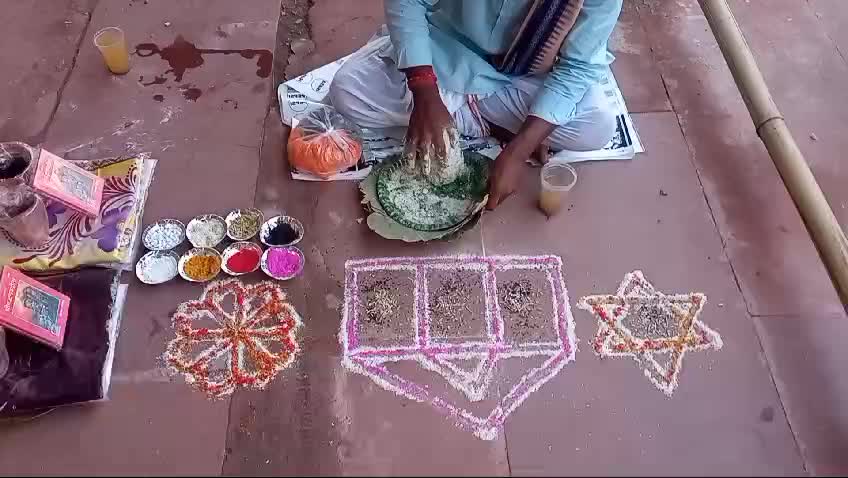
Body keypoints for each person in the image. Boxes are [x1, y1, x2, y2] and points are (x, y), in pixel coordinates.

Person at [329, 0, 623, 209]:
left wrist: (518, 151)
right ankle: (466, 116)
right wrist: (424, 92)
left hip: (521, 77)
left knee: (597, 126)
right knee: (347, 91)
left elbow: (577, 68)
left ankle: (461, 115)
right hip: (443, 56)